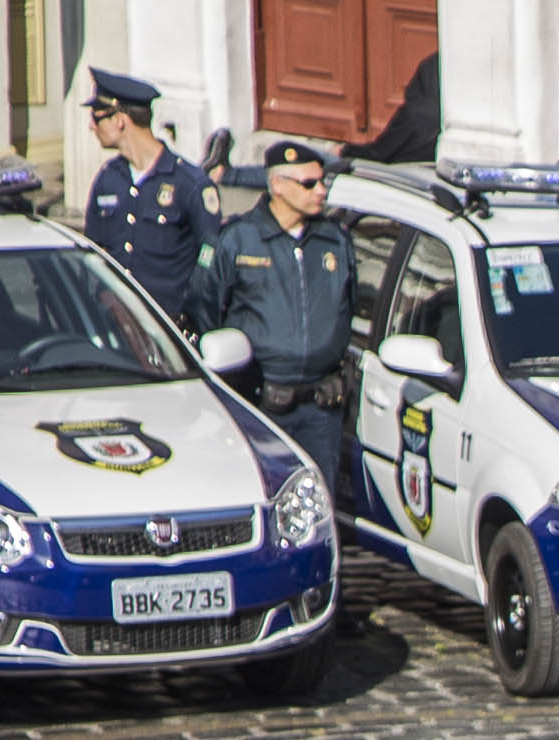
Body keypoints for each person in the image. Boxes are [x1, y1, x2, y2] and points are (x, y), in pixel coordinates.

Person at [193, 143, 360, 508]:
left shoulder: (334, 240)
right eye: (310, 182)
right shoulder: (238, 239)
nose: (321, 190)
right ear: (278, 186)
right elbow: (206, 310)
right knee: (261, 503)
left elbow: (348, 307)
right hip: (259, 403)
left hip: (320, 407)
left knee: (318, 510)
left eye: (323, 181)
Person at [79, 70, 207, 322]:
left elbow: (210, 266)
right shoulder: (108, 178)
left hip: (169, 329)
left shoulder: (188, 183)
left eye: (97, 117)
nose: (91, 126)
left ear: (120, 120)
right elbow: (92, 252)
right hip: (113, 324)